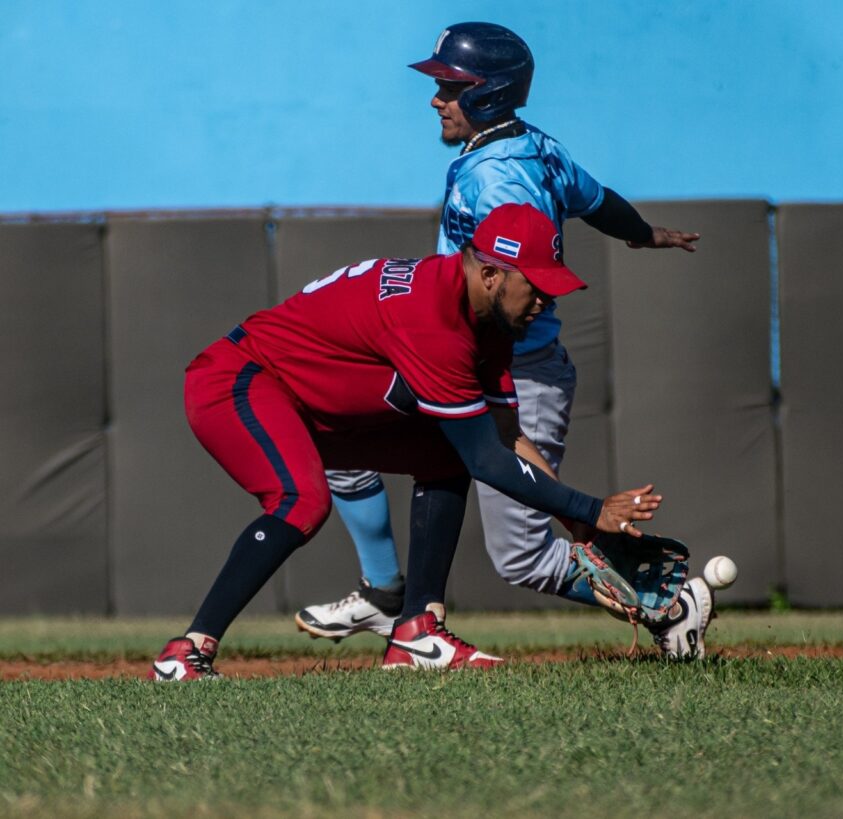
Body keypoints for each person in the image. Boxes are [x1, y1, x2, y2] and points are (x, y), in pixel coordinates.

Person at [297, 22, 713, 660]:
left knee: (521, 555)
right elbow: (597, 200)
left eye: (449, 86)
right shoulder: (532, 146)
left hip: (515, 371)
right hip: (459, 359)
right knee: (341, 433)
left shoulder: (500, 180)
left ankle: (669, 605)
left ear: (486, 93)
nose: (436, 98)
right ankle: (388, 595)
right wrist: (642, 233)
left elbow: (511, 280)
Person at [149, 203, 664, 680]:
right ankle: (184, 653)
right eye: (536, 285)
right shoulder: (433, 319)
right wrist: (591, 508)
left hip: (313, 403)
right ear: (490, 275)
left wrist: (579, 527)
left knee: (445, 455)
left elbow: (506, 436)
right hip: (238, 381)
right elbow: (488, 460)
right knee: (301, 501)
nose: (546, 300)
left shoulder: (488, 322)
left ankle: (417, 631)